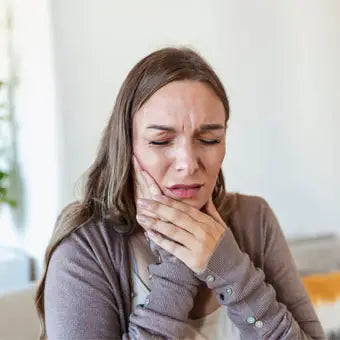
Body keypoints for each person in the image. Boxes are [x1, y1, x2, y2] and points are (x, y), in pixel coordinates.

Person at [35, 47, 326, 339]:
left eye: (209, 139)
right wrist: (177, 270)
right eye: (161, 141)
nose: (188, 164)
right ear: (127, 145)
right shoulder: (85, 248)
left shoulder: (254, 219)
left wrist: (229, 268)